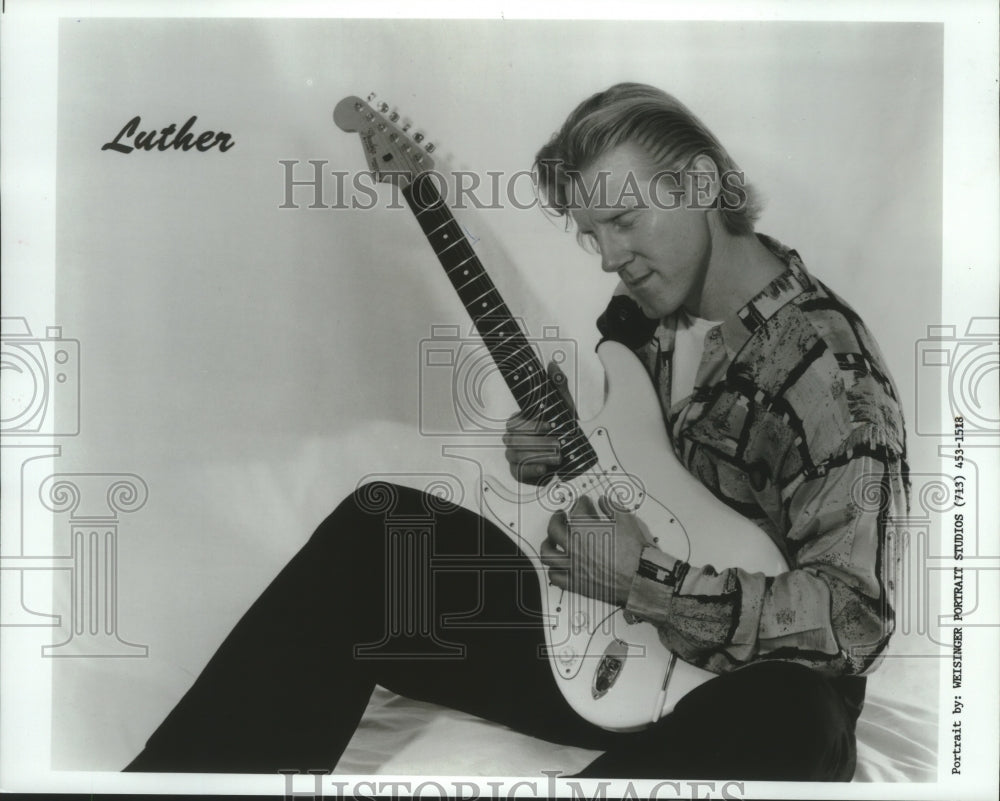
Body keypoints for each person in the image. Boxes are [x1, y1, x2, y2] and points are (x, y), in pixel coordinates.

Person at [124, 83, 909, 780]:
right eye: (589, 234)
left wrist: (645, 578)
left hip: (743, 681)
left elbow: (852, 620)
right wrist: (561, 447)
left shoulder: (831, 375)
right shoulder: (643, 312)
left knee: (793, 720)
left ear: (701, 183)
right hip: (603, 639)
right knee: (377, 535)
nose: (609, 258)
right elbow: (642, 460)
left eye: (624, 221)